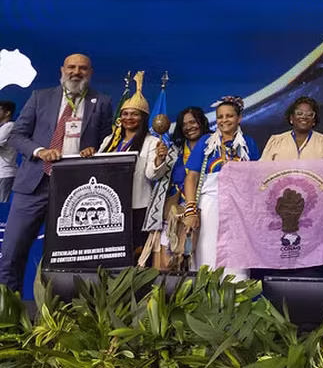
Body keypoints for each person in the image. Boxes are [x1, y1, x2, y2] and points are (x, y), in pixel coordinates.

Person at [0, 54, 113, 292]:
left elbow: (108, 142)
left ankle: (58, 310)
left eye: (82, 68)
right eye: (71, 67)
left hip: (75, 189)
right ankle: (7, 307)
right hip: (33, 184)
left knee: (66, 256)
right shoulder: (40, 97)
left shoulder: (102, 102)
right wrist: (40, 151)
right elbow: (17, 136)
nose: (76, 72)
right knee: (12, 251)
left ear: (90, 72)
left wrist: (95, 149)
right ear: (62, 70)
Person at [182, 96, 259, 280]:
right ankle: (206, 296)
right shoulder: (206, 142)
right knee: (207, 257)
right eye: (220, 117)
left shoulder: (248, 143)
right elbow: (191, 177)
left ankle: (237, 296)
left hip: (239, 210)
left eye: (229, 116)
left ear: (239, 118)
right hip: (210, 207)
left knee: (237, 259)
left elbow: (257, 179)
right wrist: (191, 210)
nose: (224, 120)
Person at [98, 72, 171, 253]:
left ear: (143, 118)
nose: (129, 118)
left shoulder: (151, 142)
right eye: (125, 114)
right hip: (108, 204)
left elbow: (151, 175)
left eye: (134, 114)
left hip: (136, 205)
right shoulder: (109, 140)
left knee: (133, 250)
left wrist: (160, 159)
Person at [140, 106, 212, 270]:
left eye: (193, 122)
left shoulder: (213, 148)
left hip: (206, 212)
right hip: (175, 216)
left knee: (199, 262)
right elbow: (155, 176)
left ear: (202, 122)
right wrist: (160, 159)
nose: (189, 127)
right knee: (166, 265)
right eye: (184, 124)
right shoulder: (174, 151)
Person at [260, 96, 323, 161]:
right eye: (299, 113)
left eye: (309, 114)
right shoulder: (276, 141)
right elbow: (262, 170)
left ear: (314, 120)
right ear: (291, 118)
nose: (304, 117)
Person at [0, 101, 16, 204]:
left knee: (2, 207)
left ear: (7, 113)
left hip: (4, 173)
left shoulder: (9, 126)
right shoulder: (2, 127)